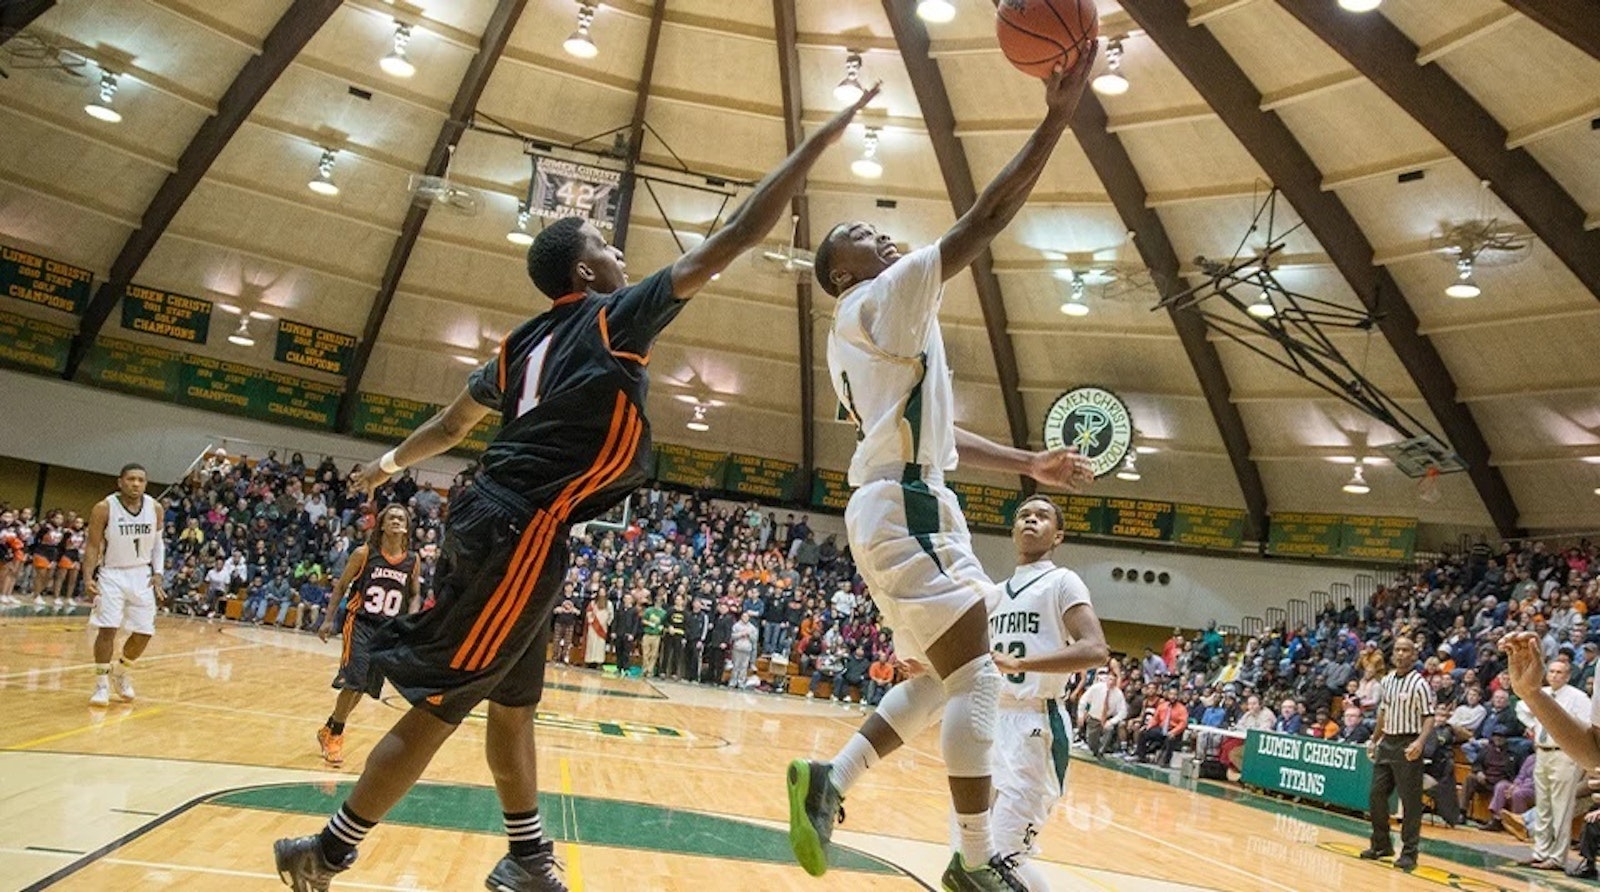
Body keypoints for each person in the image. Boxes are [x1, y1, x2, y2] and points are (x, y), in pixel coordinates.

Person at [271, 85, 882, 892]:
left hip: (505, 518)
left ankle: (528, 858)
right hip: (518, 526)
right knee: (443, 705)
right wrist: (817, 144)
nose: (624, 257)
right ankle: (331, 849)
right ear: (587, 270)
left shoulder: (521, 342)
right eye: (609, 247)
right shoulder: (611, 316)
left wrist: (387, 465)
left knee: (514, 704)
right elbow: (735, 236)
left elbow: (451, 428)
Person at [786, 49, 1098, 892]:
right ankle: (971, 860)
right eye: (863, 239)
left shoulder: (875, 332)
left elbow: (942, 431)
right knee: (981, 678)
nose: (883, 238)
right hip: (907, 507)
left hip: (918, 499)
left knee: (936, 676)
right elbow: (985, 219)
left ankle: (832, 780)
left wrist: (1028, 459)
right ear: (844, 274)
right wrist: (1055, 120)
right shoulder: (875, 299)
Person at [798, 493, 1106, 892]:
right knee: (969, 860)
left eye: (1042, 517)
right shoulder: (992, 595)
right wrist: (929, 665)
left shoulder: (1062, 582)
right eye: (1024, 515)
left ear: (1058, 535)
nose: (1031, 520)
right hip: (987, 721)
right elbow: (970, 664)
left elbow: (1095, 649)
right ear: (1012, 530)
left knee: (1002, 858)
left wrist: (1022, 664)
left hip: (1036, 725)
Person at [314, 504, 420, 767]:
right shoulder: (364, 553)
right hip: (360, 622)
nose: (396, 521)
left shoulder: (412, 560)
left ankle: (328, 727)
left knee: (364, 687)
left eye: (401, 518)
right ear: (381, 525)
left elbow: (415, 593)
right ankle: (335, 736)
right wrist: (328, 620)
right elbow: (340, 587)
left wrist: (411, 621)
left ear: (406, 526)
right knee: (353, 680)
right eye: (391, 518)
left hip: (388, 630)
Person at [82, 465, 164, 706]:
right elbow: (93, 546)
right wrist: (88, 578)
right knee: (108, 629)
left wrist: (158, 573)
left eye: (140, 480)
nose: (136, 484)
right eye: (131, 479)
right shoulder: (104, 508)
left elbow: (159, 544)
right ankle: (100, 685)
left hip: (142, 574)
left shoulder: (155, 508)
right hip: (112, 574)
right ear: (120, 482)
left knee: (144, 633)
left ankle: (120, 673)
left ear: (146, 484)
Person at [1363, 636, 1433, 872]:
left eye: (1406, 650)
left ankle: (1410, 853)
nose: (1401, 654)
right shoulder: (1388, 680)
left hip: (1408, 742)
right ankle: (1382, 844)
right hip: (1387, 742)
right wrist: (1374, 740)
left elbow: (1429, 716)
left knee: (1411, 802)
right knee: (1376, 795)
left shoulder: (1419, 684)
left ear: (1414, 655)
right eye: (1398, 650)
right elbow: (1383, 712)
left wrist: (1420, 743)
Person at [1513, 657, 1589, 871]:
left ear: (1568, 675)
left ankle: (1557, 857)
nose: (1555, 675)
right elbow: (1521, 707)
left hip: (1564, 754)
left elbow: (1586, 725)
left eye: (1560, 672)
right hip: (1542, 752)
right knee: (1543, 805)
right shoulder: (1541, 694)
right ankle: (1540, 852)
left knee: (1561, 807)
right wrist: (1533, 724)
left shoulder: (1578, 697)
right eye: (1552, 671)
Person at [1077, 665, 1127, 759]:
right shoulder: (1096, 687)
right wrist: (1080, 714)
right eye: (1110, 679)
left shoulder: (1118, 694)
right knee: (1091, 742)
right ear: (1107, 678)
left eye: (1114, 680)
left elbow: (1123, 712)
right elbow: (1083, 700)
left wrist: (1112, 721)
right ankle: (1095, 751)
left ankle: (1101, 752)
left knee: (1109, 729)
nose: (1111, 682)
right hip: (1094, 717)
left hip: (1107, 719)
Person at [584, 594, 612, 669]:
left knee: (600, 645)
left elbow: (611, 615)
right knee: (591, 644)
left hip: (602, 627)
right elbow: (588, 614)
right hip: (593, 627)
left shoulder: (609, 604)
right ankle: (589, 661)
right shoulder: (593, 603)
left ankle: (599, 662)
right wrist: (592, 618)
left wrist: (607, 623)